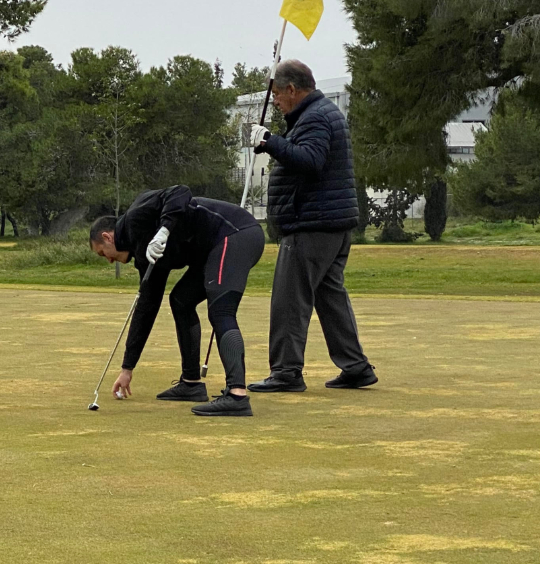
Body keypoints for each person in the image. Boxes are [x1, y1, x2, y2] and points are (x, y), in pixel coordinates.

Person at [247, 59, 377, 392]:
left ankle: (286, 371)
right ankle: (356, 366)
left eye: (277, 94)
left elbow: (310, 160)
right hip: (329, 222)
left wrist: (271, 142)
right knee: (329, 296)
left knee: (290, 298)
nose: (275, 101)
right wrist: (273, 143)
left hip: (312, 223)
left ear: (292, 89)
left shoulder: (316, 116)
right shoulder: (317, 114)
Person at [89, 186, 265, 417]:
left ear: (107, 237)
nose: (110, 261)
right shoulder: (145, 255)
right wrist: (127, 368)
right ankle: (191, 382)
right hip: (212, 248)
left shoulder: (135, 216)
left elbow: (180, 193)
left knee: (221, 310)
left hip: (236, 233)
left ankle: (237, 395)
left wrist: (163, 231)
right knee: (181, 300)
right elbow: (146, 309)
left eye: (103, 253)